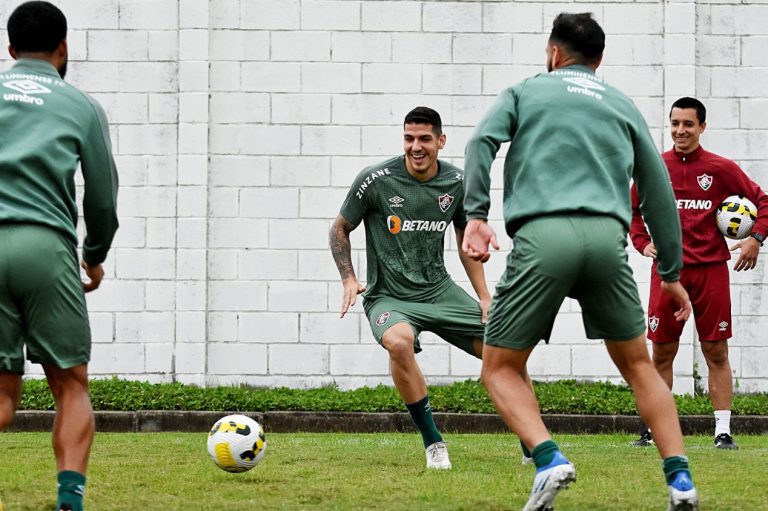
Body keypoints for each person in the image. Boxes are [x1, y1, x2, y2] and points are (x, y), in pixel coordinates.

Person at [462, 13, 699, 511]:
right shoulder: (621, 103)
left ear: (553, 53)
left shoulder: (526, 91)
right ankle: (680, 479)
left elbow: (480, 141)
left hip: (544, 236)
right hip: (606, 239)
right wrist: (672, 274)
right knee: (639, 366)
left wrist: (476, 215)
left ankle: (548, 459)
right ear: (600, 60)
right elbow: (657, 192)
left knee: (500, 367)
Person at [0, 3, 119, 511]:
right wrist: (93, 255)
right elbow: (102, 199)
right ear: (63, 48)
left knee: (3, 393)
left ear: (9, 51)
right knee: (70, 384)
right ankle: (69, 499)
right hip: (46, 248)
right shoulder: (81, 105)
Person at [329, 106, 494, 470]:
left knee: (505, 350)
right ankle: (433, 442)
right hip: (390, 296)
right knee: (399, 342)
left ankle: (531, 441)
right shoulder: (375, 180)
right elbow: (339, 228)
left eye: (423, 139)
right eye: (409, 138)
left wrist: (484, 297)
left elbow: (466, 239)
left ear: (440, 141)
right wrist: (349, 277)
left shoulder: (456, 182)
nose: (415, 147)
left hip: (439, 291)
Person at [629, 97, 768, 450]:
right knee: (661, 353)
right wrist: (643, 243)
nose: (680, 130)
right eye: (675, 123)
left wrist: (755, 238)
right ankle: (653, 430)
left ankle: (722, 432)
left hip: (710, 272)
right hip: (666, 273)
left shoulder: (721, 169)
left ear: (702, 127)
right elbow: (629, 211)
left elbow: (763, 201)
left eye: (688, 124)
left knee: (716, 350)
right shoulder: (654, 167)